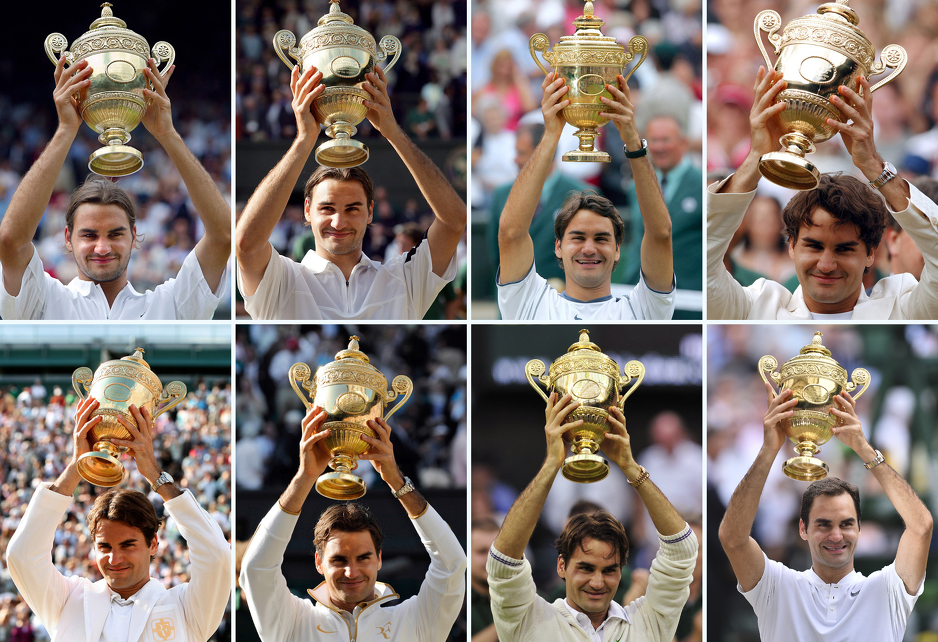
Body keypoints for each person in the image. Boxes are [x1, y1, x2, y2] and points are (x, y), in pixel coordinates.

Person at [0, 56, 231, 320]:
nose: (102, 248)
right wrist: (65, 130)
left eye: (115, 234)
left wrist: (167, 134)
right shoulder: (43, 301)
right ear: (67, 238)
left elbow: (223, 235)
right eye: (88, 235)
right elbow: (11, 241)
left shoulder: (171, 305)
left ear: (134, 236)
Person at [235, 64, 466, 320]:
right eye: (327, 208)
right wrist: (303, 141)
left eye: (352, 208)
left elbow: (454, 220)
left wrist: (393, 133)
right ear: (307, 210)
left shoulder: (403, 280)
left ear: (370, 213)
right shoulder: (280, 280)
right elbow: (246, 244)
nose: (339, 221)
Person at [707, 67, 938, 319]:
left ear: (871, 253)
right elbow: (705, 256)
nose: (826, 265)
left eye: (844, 249)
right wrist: (756, 157)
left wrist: (874, 166)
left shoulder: (903, 310)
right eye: (814, 246)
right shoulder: (754, 308)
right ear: (792, 246)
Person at [718, 384, 932, 641]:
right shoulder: (777, 587)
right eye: (823, 524)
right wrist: (768, 450)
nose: (836, 535)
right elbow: (732, 538)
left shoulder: (888, 590)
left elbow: (921, 527)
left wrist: (863, 448)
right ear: (803, 529)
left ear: (859, 529)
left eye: (846, 524)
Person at [6, 398, 231, 642]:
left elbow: (216, 555)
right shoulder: (68, 600)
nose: (114, 559)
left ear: (153, 544)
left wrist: (155, 474)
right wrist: (77, 465)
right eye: (104, 546)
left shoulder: (186, 608)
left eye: (127, 544)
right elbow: (22, 555)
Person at [239, 405, 466, 641]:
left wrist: (397, 481)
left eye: (363, 557)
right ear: (319, 562)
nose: (351, 572)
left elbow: (452, 564)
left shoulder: (415, 621)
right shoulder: (293, 621)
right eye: (338, 559)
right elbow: (256, 570)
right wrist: (305, 477)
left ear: (379, 559)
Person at [487, 393, 698, 642]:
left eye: (609, 570)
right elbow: (503, 563)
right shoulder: (531, 622)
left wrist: (628, 465)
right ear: (561, 566)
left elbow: (683, 550)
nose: (598, 583)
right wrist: (552, 464)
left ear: (622, 571)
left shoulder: (648, 623)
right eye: (586, 568)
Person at [496, 72, 675, 320]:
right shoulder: (529, 302)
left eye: (601, 239)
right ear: (558, 246)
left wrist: (633, 140)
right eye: (578, 237)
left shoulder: (643, 309)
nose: (589, 249)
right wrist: (551, 135)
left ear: (618, 249)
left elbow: (660, 234)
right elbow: (510, 233)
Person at [486, 122, 589, 297]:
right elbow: (496, 255)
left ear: (542, 154)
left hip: (564, 305)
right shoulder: (501, 195)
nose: (515, 159)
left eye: (521, 153)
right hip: (514, 304)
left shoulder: (583, 196)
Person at [619, 115, 703, 299]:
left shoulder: (703, 185)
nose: (658, 147)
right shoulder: (636, 186)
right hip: (639, 293)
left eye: (665, 140)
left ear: (683, 143)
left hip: (688, 296)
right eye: (653, 141)